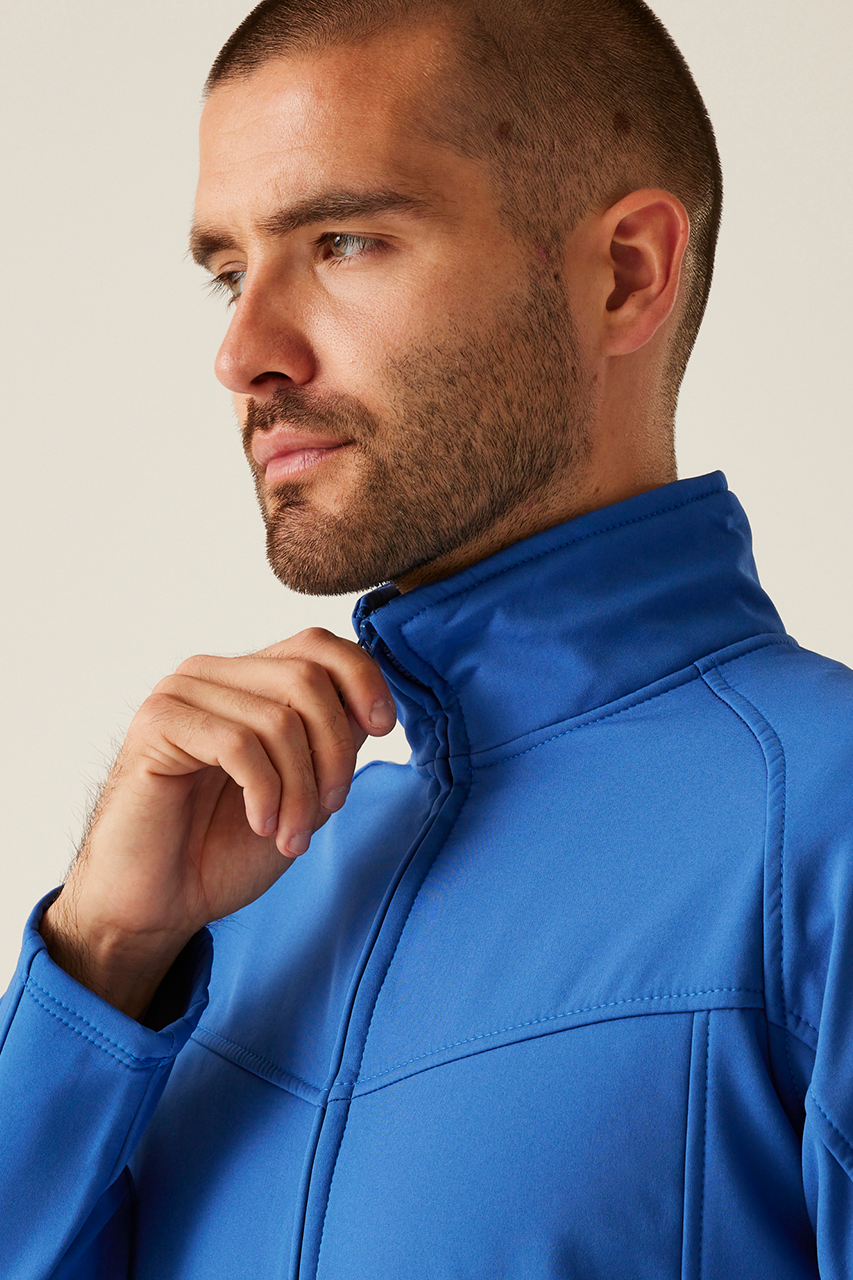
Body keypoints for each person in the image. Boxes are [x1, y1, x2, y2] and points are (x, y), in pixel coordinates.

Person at [1, 0, 850, 1274]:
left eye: (342, 241)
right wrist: (102, 956)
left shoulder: (825, 825)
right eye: (228, 271)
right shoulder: (230, 893)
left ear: (625, 273)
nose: (242, 351)